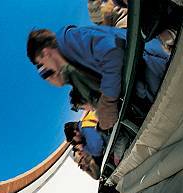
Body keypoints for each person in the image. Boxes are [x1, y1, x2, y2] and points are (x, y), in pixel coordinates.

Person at [27, 26, 169, 130]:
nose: (46, 69)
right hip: (149, 83)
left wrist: (108, 101)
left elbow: (113, 53)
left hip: (155, 70)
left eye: (42, 64)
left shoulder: (70, 40)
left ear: (45, 53)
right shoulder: (71, 58)